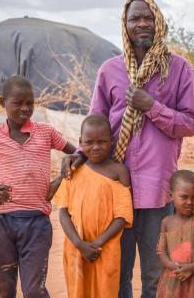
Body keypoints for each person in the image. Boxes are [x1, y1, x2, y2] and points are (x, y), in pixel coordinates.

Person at [62, 0, 194, 298]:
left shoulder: (178, 69)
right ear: (124, 25)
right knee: (115, 273)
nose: (141, 24)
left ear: (158, 22)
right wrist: (77, 154)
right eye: (134, 18)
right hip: (112, 191)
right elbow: (94, 125)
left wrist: (152, 106)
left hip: (156, 189)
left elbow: (191, 123)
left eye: (147, 17)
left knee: (154, 274)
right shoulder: (109, 70)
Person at [0, 76, 77, 297]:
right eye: (18, 103)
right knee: (3, 288)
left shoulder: (46, 132)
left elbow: (77, 155)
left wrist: (58, 181)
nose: (25, 108)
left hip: (36, 222)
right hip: (2, 221)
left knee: (34, 290)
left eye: (30, 103)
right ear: (2, 103)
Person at [53, 114, 134, 298]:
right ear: (81, 142)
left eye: (102, 142)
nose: (96, 147)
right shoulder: (73, 170)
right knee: (78, 291)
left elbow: (122, 216)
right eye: (89, 142)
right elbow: (63, 212)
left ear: (112, 141)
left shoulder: (119, 172)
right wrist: (79, 244)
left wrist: (97, 244)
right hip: (76, 248)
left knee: (106, 290)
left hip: (105, 249)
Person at [156, 170, 194, 298]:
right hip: (173, 278)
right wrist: (174, 267)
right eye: (184, 197)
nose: (190, 202)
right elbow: (161, 251)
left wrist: (192, 268)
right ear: (171, 196)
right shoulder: (166, 222)